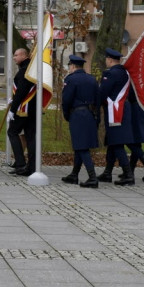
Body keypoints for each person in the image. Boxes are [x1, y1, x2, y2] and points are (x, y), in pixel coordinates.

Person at [61, 54, 100, 188]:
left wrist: (66, 115)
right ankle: (74, 175)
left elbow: (66, 100)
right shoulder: (91, 79)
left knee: (82, 147)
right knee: (80, 145)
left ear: (72, 66)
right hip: (89, 114)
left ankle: (93, 177)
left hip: (77, 115)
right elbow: (97, 100)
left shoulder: (71, 80)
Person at [98, 48, 135, 185]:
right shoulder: (125, 73)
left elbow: (102, 92)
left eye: (106, 59)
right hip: (123, 109)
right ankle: (108, 173)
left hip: (115, 110)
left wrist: (97, 105)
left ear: (109, 59)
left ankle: (128, 175)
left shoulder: (110, 73)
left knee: (117, 142)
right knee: (112, 142)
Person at [6, 48, 36, 176]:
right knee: (30, 137)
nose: (14, 57)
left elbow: (22, 91)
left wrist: (13, 109)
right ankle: (31, 167)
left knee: (12, 132)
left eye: (16, 55)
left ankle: (20, 164)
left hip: (24, 109)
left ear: (24, 56)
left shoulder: (25, 71)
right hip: (31, 109)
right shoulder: (30, 68)